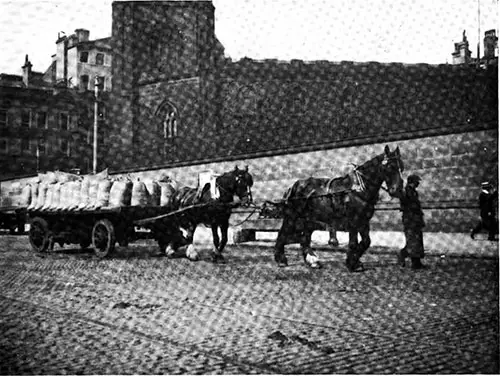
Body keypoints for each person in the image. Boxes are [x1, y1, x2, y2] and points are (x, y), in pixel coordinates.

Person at [398, 174, 426, 269]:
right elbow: (406, 206)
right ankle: (406, 257)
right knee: (412, 241)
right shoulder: (405, 192)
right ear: (412, 182)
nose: (418, 183)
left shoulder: (413, 192)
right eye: (417, 181)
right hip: (409, 220)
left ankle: (417, 262)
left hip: (416, 219)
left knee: (417, 241)